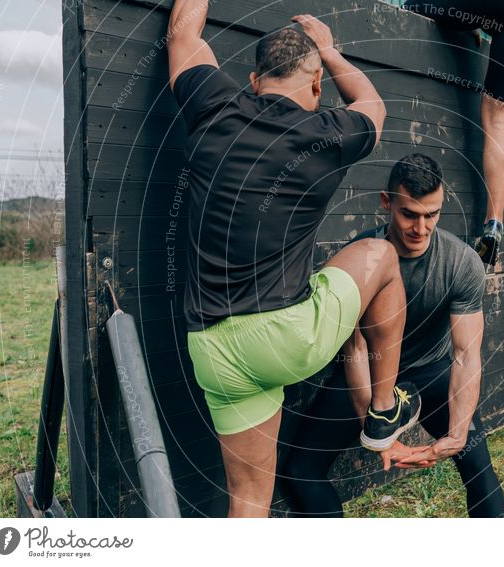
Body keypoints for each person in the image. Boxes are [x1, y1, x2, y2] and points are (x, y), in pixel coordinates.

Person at [167, 1, 421, 517]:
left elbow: (181, 32)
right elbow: (372, 101)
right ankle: (381, 411)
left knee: (248, 498)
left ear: (254, 79)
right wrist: (329, 51)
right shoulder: (329, 133)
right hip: (286, 338)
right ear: (315, 88)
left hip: (212, 349)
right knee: (382, 255)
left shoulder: (213, 103)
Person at [284, 154, 504, 518]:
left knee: (478, 467)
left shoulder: (461, 262)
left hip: (431, 371)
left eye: (431, 215)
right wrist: (378, 430)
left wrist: (458, 432)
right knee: (299, 472)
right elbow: (354, 349)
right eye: (409, 214)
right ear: (387, 203)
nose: (421, 228)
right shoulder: (361, 258)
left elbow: (466, 354)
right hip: (371, 372)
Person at [403, 0, 504, 267]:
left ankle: (466, 17)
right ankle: (493, 224)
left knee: (413, 3)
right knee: (498, 120)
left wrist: (466, 17)